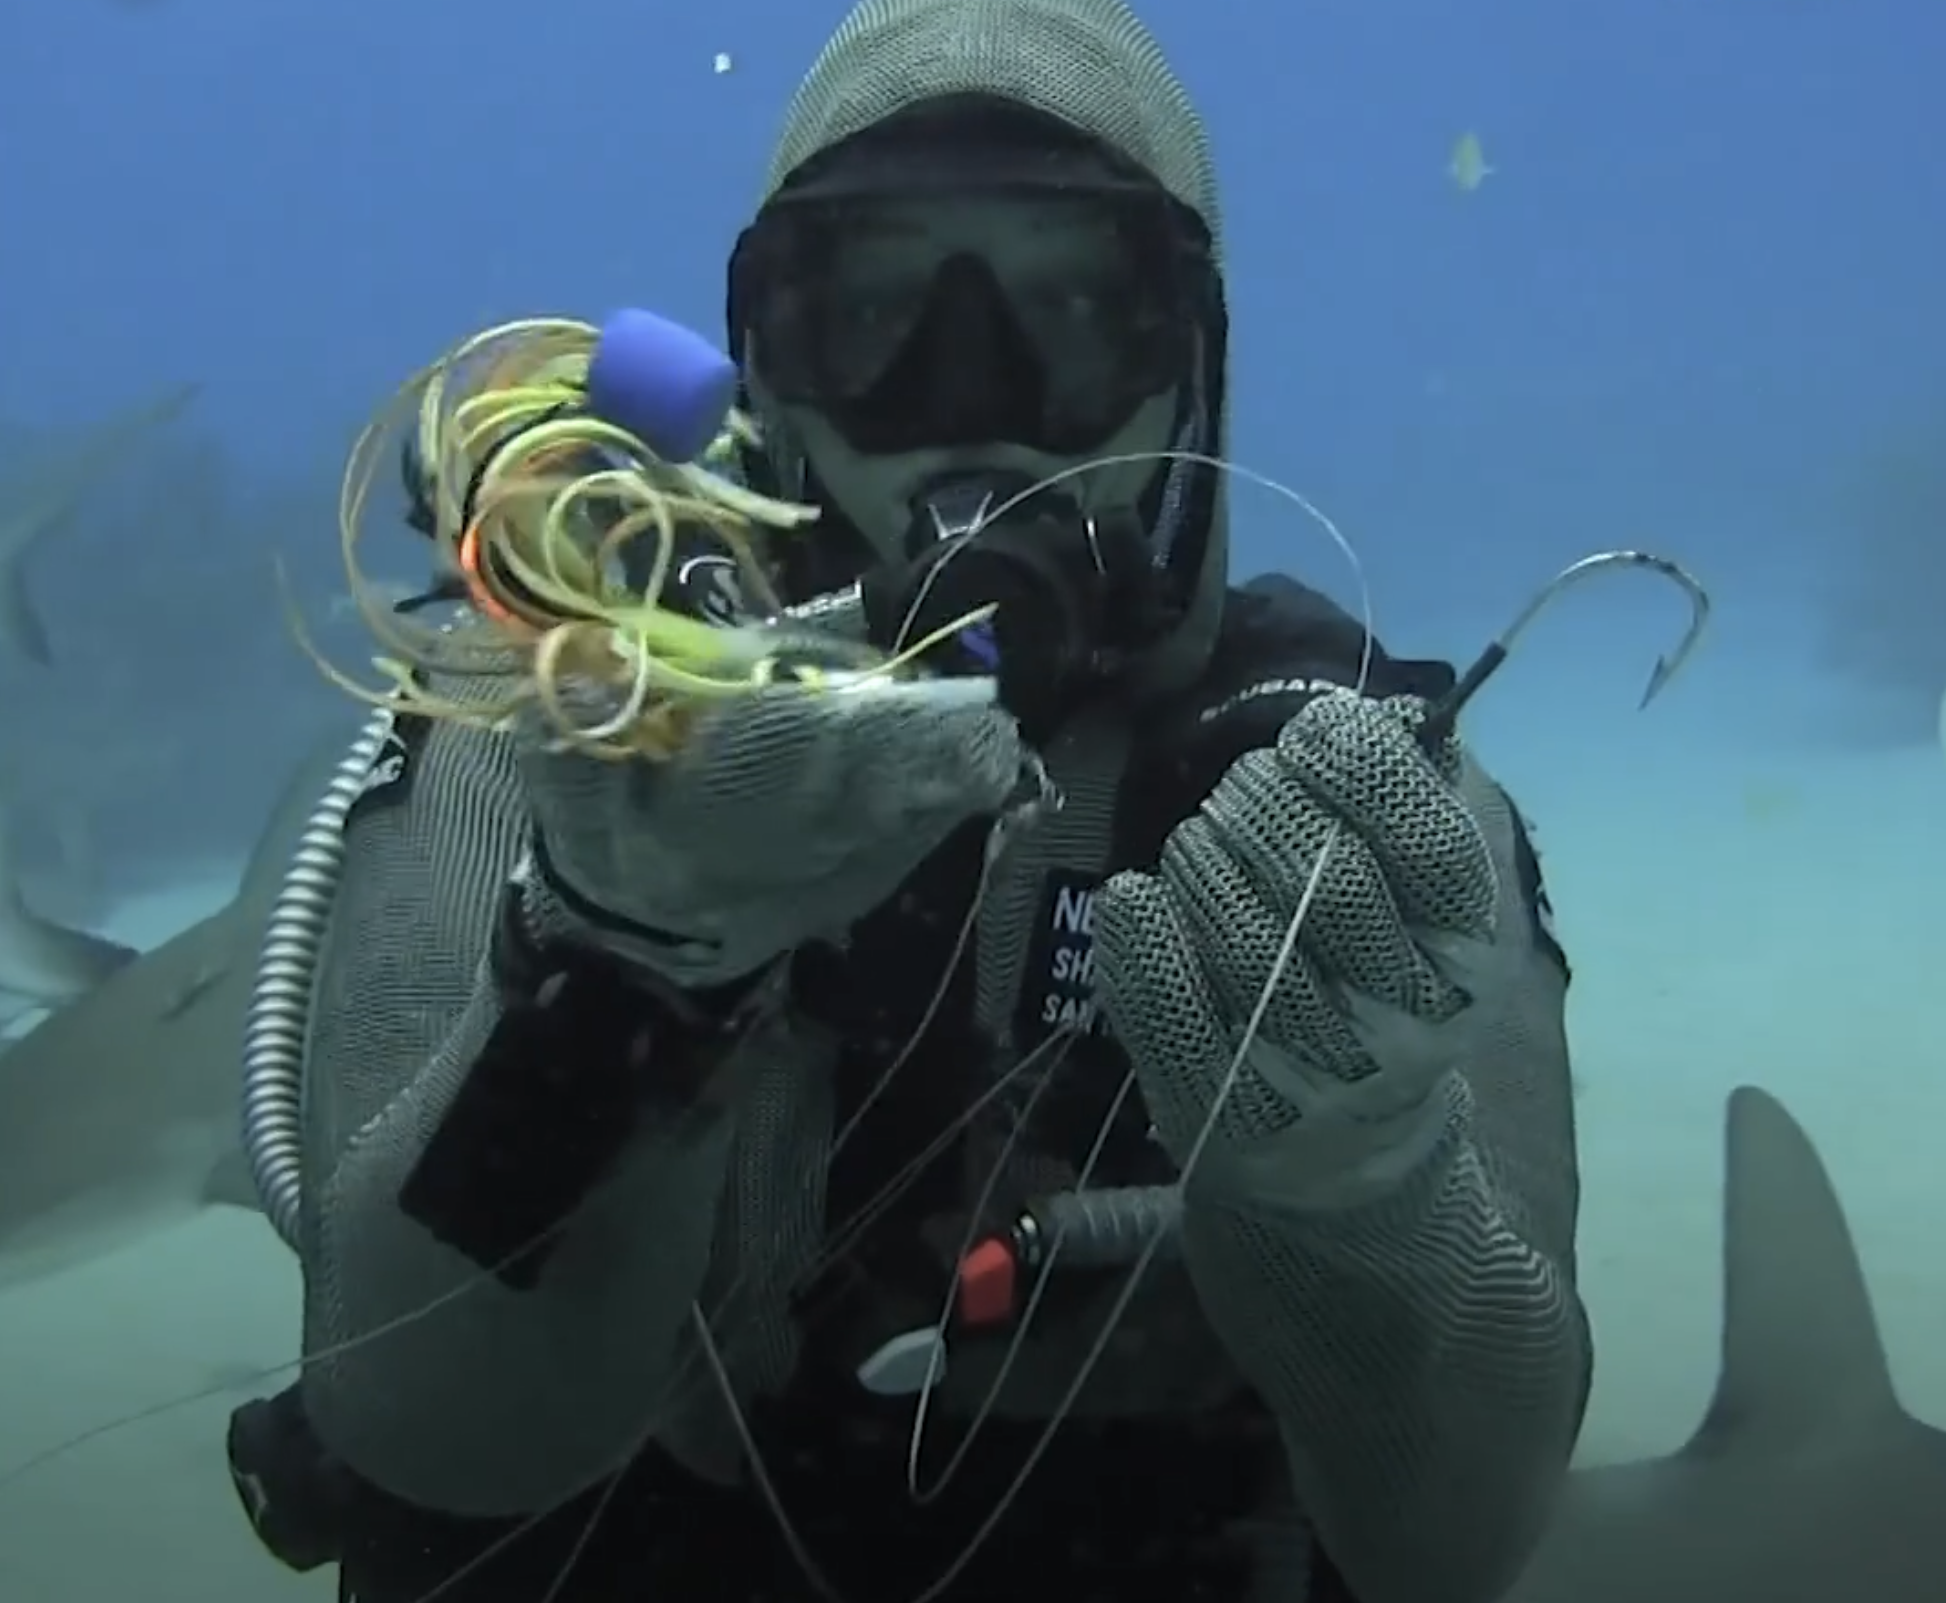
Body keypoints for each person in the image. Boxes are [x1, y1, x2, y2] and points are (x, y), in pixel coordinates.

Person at [225, 0, 1592, 1599]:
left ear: (1189, 365)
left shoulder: (1343, 796)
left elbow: (1453, 1541)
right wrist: (616, 964)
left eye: (1076, 309)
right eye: (871, 312)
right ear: (765, 363)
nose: (970, 398)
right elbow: (424, 1424)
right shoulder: (559, 734)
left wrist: (1360, 1176)